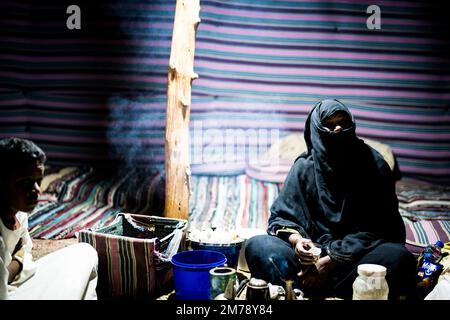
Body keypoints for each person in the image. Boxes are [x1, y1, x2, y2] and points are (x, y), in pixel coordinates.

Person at [245, 99, 418, 300]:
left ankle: (312, 290)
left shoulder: (374, 165)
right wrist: (298, 242)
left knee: (399, 257)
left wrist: (333, 259)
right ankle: (299, 289)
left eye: (343, 123)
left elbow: (381, 228)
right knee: (259, 245)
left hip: (355, 261)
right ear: (317, 130)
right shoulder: (304, 167)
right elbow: (282, 218)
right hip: (305, 264)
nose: (337, 129)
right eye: (329, 124)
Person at [0, 137, 98, 300]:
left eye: (38, 181)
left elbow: (25, 247)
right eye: (25, 182)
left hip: (10, 284)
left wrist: (12, 266)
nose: (36, 190)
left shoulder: (18, 209)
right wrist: (16, 262)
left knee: (85, 252)